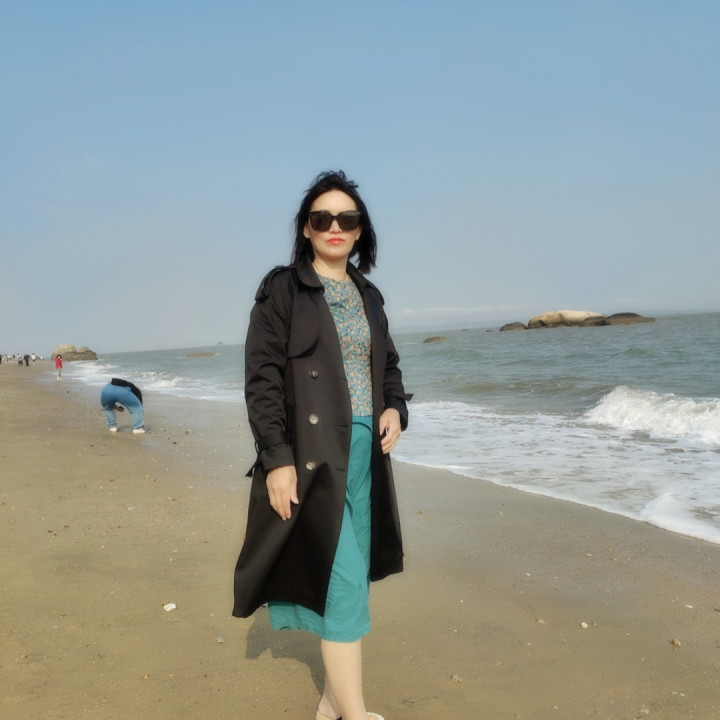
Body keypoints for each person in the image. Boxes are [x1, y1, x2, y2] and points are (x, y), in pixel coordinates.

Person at [232, 171, 411, 720]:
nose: (335, 226)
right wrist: (276, 460)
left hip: (365, 455)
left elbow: (389, 367)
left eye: (347, 218)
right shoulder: (283, 290)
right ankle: (354, 715)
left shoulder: (368, 296)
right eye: (322, 217)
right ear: (306, 228)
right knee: (343, 582)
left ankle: (332, 703)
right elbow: (262, 379)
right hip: (313, 456)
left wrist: (394, 409)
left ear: (360, 231)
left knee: (350, 577)